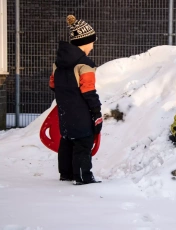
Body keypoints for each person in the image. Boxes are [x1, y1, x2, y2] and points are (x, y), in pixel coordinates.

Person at [49, 15, 103, 185]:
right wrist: (96, 112)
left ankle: (66, 174)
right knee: (83, 143)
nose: (93, 46)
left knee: (67, 141)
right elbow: (89, 91)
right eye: (92, 42)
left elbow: (52, 85)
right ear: (84, 42)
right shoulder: (84, 64)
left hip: (65, 112)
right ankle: (83, 177)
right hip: (81, 113)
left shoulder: (58, 63)